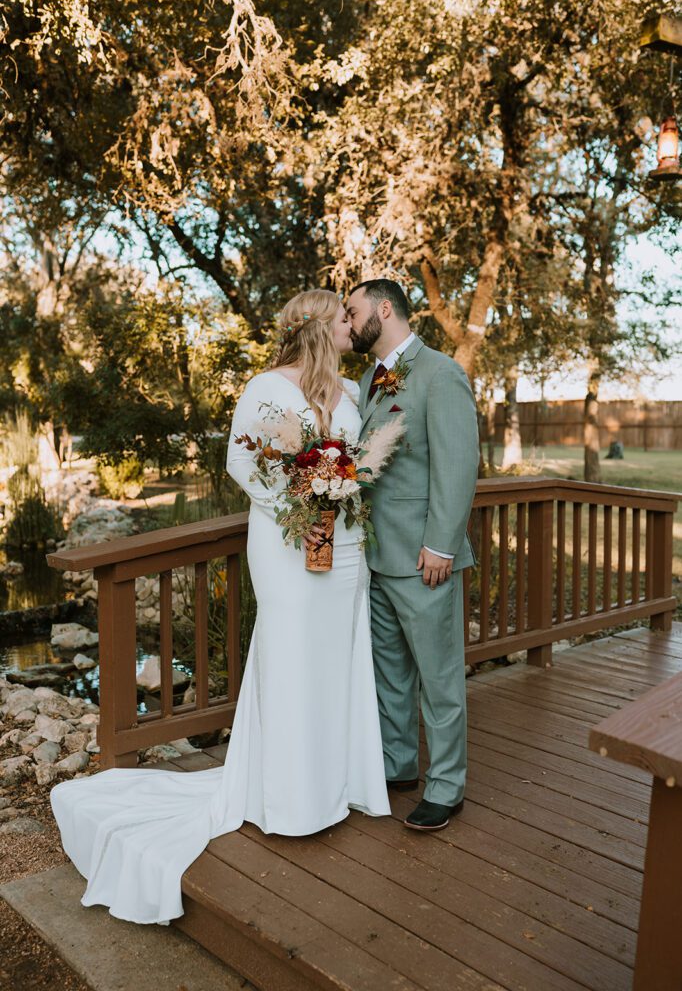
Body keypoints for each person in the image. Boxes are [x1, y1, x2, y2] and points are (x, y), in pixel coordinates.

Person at [50, 289, 390, 926]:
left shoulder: (352, 392)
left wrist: (341, 487)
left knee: (338, 660)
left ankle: (339, 785)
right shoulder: (266, 387)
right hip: (289, 543)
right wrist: (302, 494)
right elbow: (242, 460)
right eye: (344, 318)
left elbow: (364, 463)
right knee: (289, 658)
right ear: (320, 326)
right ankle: (289, 799)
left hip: (343, 548)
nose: (354, 325)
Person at [346, 278, 479, 832]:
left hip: (425, 558)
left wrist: (440, 545)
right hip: (376, 556)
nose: (347, 324)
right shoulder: (368, 378)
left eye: (351, 313)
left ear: (384, 309)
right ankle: (397, 766)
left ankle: (446, 785)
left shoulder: (440, 373)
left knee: (439, 677)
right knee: (391, 676)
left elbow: (458, 464)